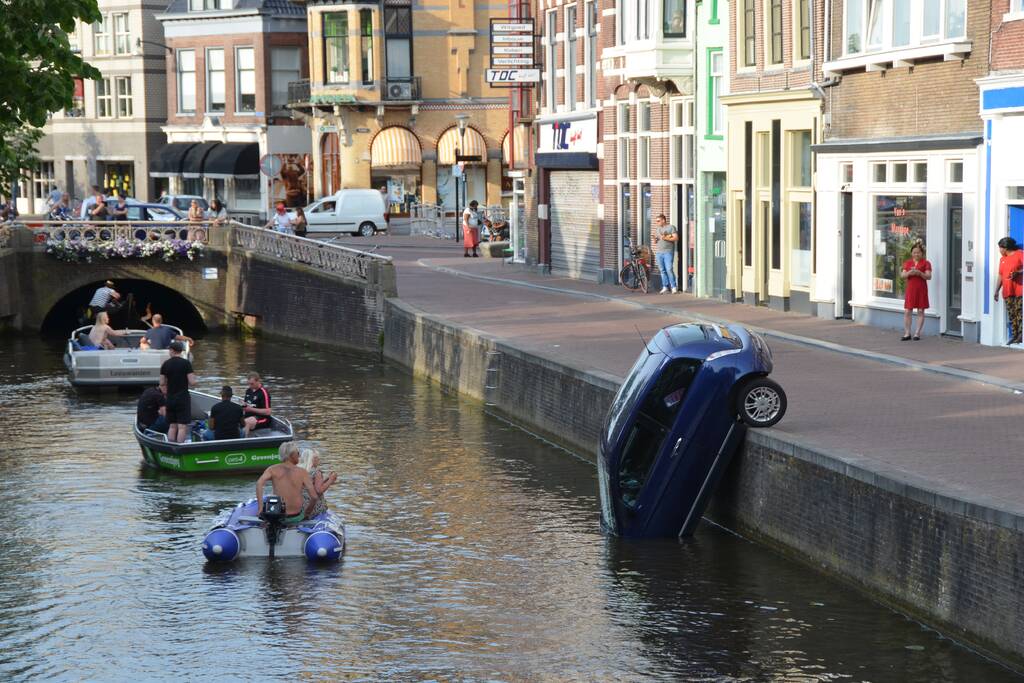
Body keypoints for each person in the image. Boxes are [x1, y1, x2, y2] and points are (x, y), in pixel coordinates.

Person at [255, 442, 318, 523]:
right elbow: (314, 497)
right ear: (292, 455)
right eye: (298, 453)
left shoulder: (272, 469)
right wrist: (307, 513)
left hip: (276, 515)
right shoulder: (302, 472)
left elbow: (259, 483)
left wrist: (260, 507)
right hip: (295, 516)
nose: (299, 456)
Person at [161, 340, 198, 443]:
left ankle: (170, 447)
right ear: (181, 351)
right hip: (182, 398)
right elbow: (192, 382)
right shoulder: (186, 363)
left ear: (172, 350)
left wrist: (166, 394)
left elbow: (162, 383)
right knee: (182, 427)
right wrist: (196, 380)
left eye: (169, 350)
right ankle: (179, 448)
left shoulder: (165, 364)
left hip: (170, 398)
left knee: (172, 426)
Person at [994, 236, 1024, 345]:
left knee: (1019, 313)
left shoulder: (1020, 254)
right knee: (1012, 314)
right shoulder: (1002, 259)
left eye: (1000, 248)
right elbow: (1000, 275)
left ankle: (1021, 335)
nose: (999, 250)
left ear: (1005, 248)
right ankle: (1015, 335)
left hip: (1019, 290)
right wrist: (996, 290)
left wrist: (1018, 272)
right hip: (1007, 291)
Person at [900, 240, 932, 341]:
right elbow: (902, 275)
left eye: (918, 252)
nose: (916, 254)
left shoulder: (926, 263)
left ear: (922, 253)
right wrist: (910, 272)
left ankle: (917, 333)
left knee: (921, 311)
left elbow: (929, 276)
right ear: (911, 253)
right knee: (907, 311)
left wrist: (920, 273)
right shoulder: (908, 263)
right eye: (914, 252)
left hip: (921, 289)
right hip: (911, 289)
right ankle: (907, 333)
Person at [297, 448, 337, 518]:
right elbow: (319, 490)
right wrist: (330, 480)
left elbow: (311, 487)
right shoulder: (316, 472)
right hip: (311, 509)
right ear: (312, 459)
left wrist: (326, 480)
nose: (319, 460)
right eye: (317, 458)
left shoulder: (297, 471)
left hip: (298, 508)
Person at [652, 213, 679, 294]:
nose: (657, 222)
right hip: (659, 252)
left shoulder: (671, 227)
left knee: (669, 269)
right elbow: (656, 240)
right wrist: (655, 239)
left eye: (658, 221)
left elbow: (676, 238)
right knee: (662, 270)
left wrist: (665, 237)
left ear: (663, 220)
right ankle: (665, 286)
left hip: (668, 252)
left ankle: (674, 287)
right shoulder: (657, 229)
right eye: (656, 221)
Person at [243, 372, 272, 436]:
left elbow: (268, 412)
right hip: (249, 416)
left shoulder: (263, 392)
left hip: (263, 419)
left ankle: (243, 442)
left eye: (252, 384)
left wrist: (251, 409)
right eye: (249, 384)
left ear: (258, 381)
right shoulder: (248, 391)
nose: (250, 386)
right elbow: (246, 405)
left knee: (247, 422)